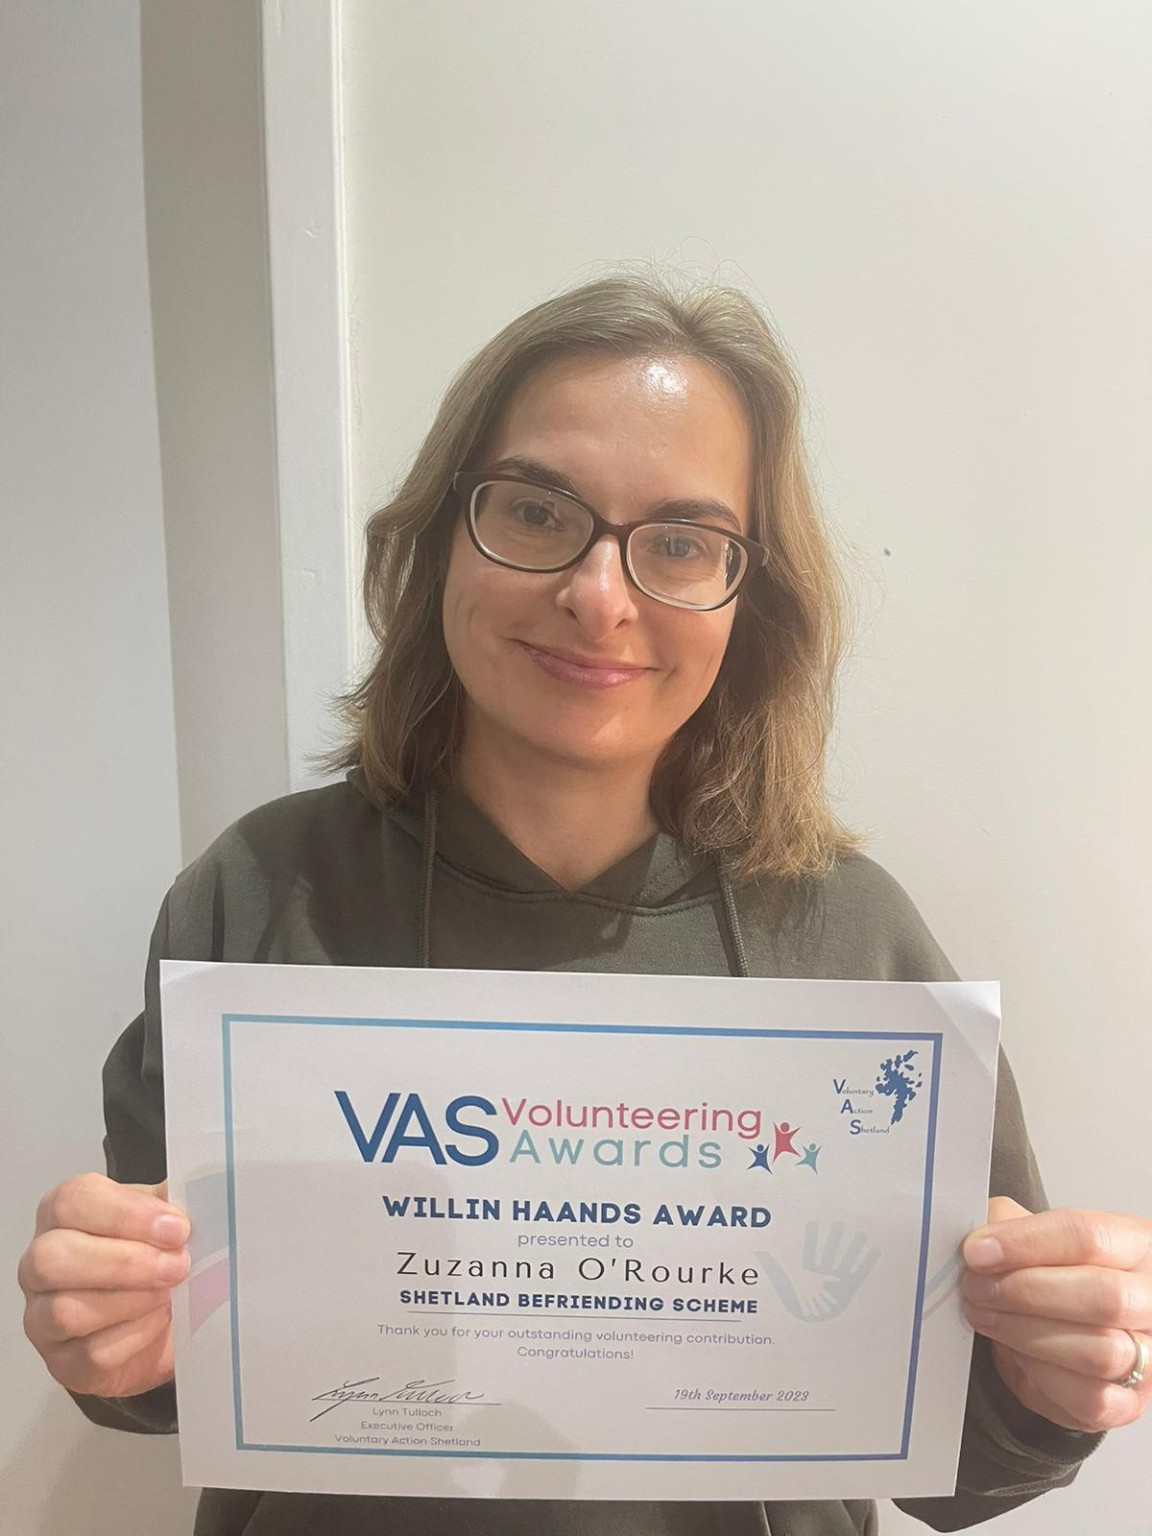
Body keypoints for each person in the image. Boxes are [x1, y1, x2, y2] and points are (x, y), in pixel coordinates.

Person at [19, 276, 1150, 1536]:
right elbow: (183, 1369)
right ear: (440, 536)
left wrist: (1054, 1378)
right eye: (535, 511)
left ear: (751, 598)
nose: (600, 596)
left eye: (682, 542)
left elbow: (969, 1457)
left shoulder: (854, 941)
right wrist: (116, 1339)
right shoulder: (257, 895)